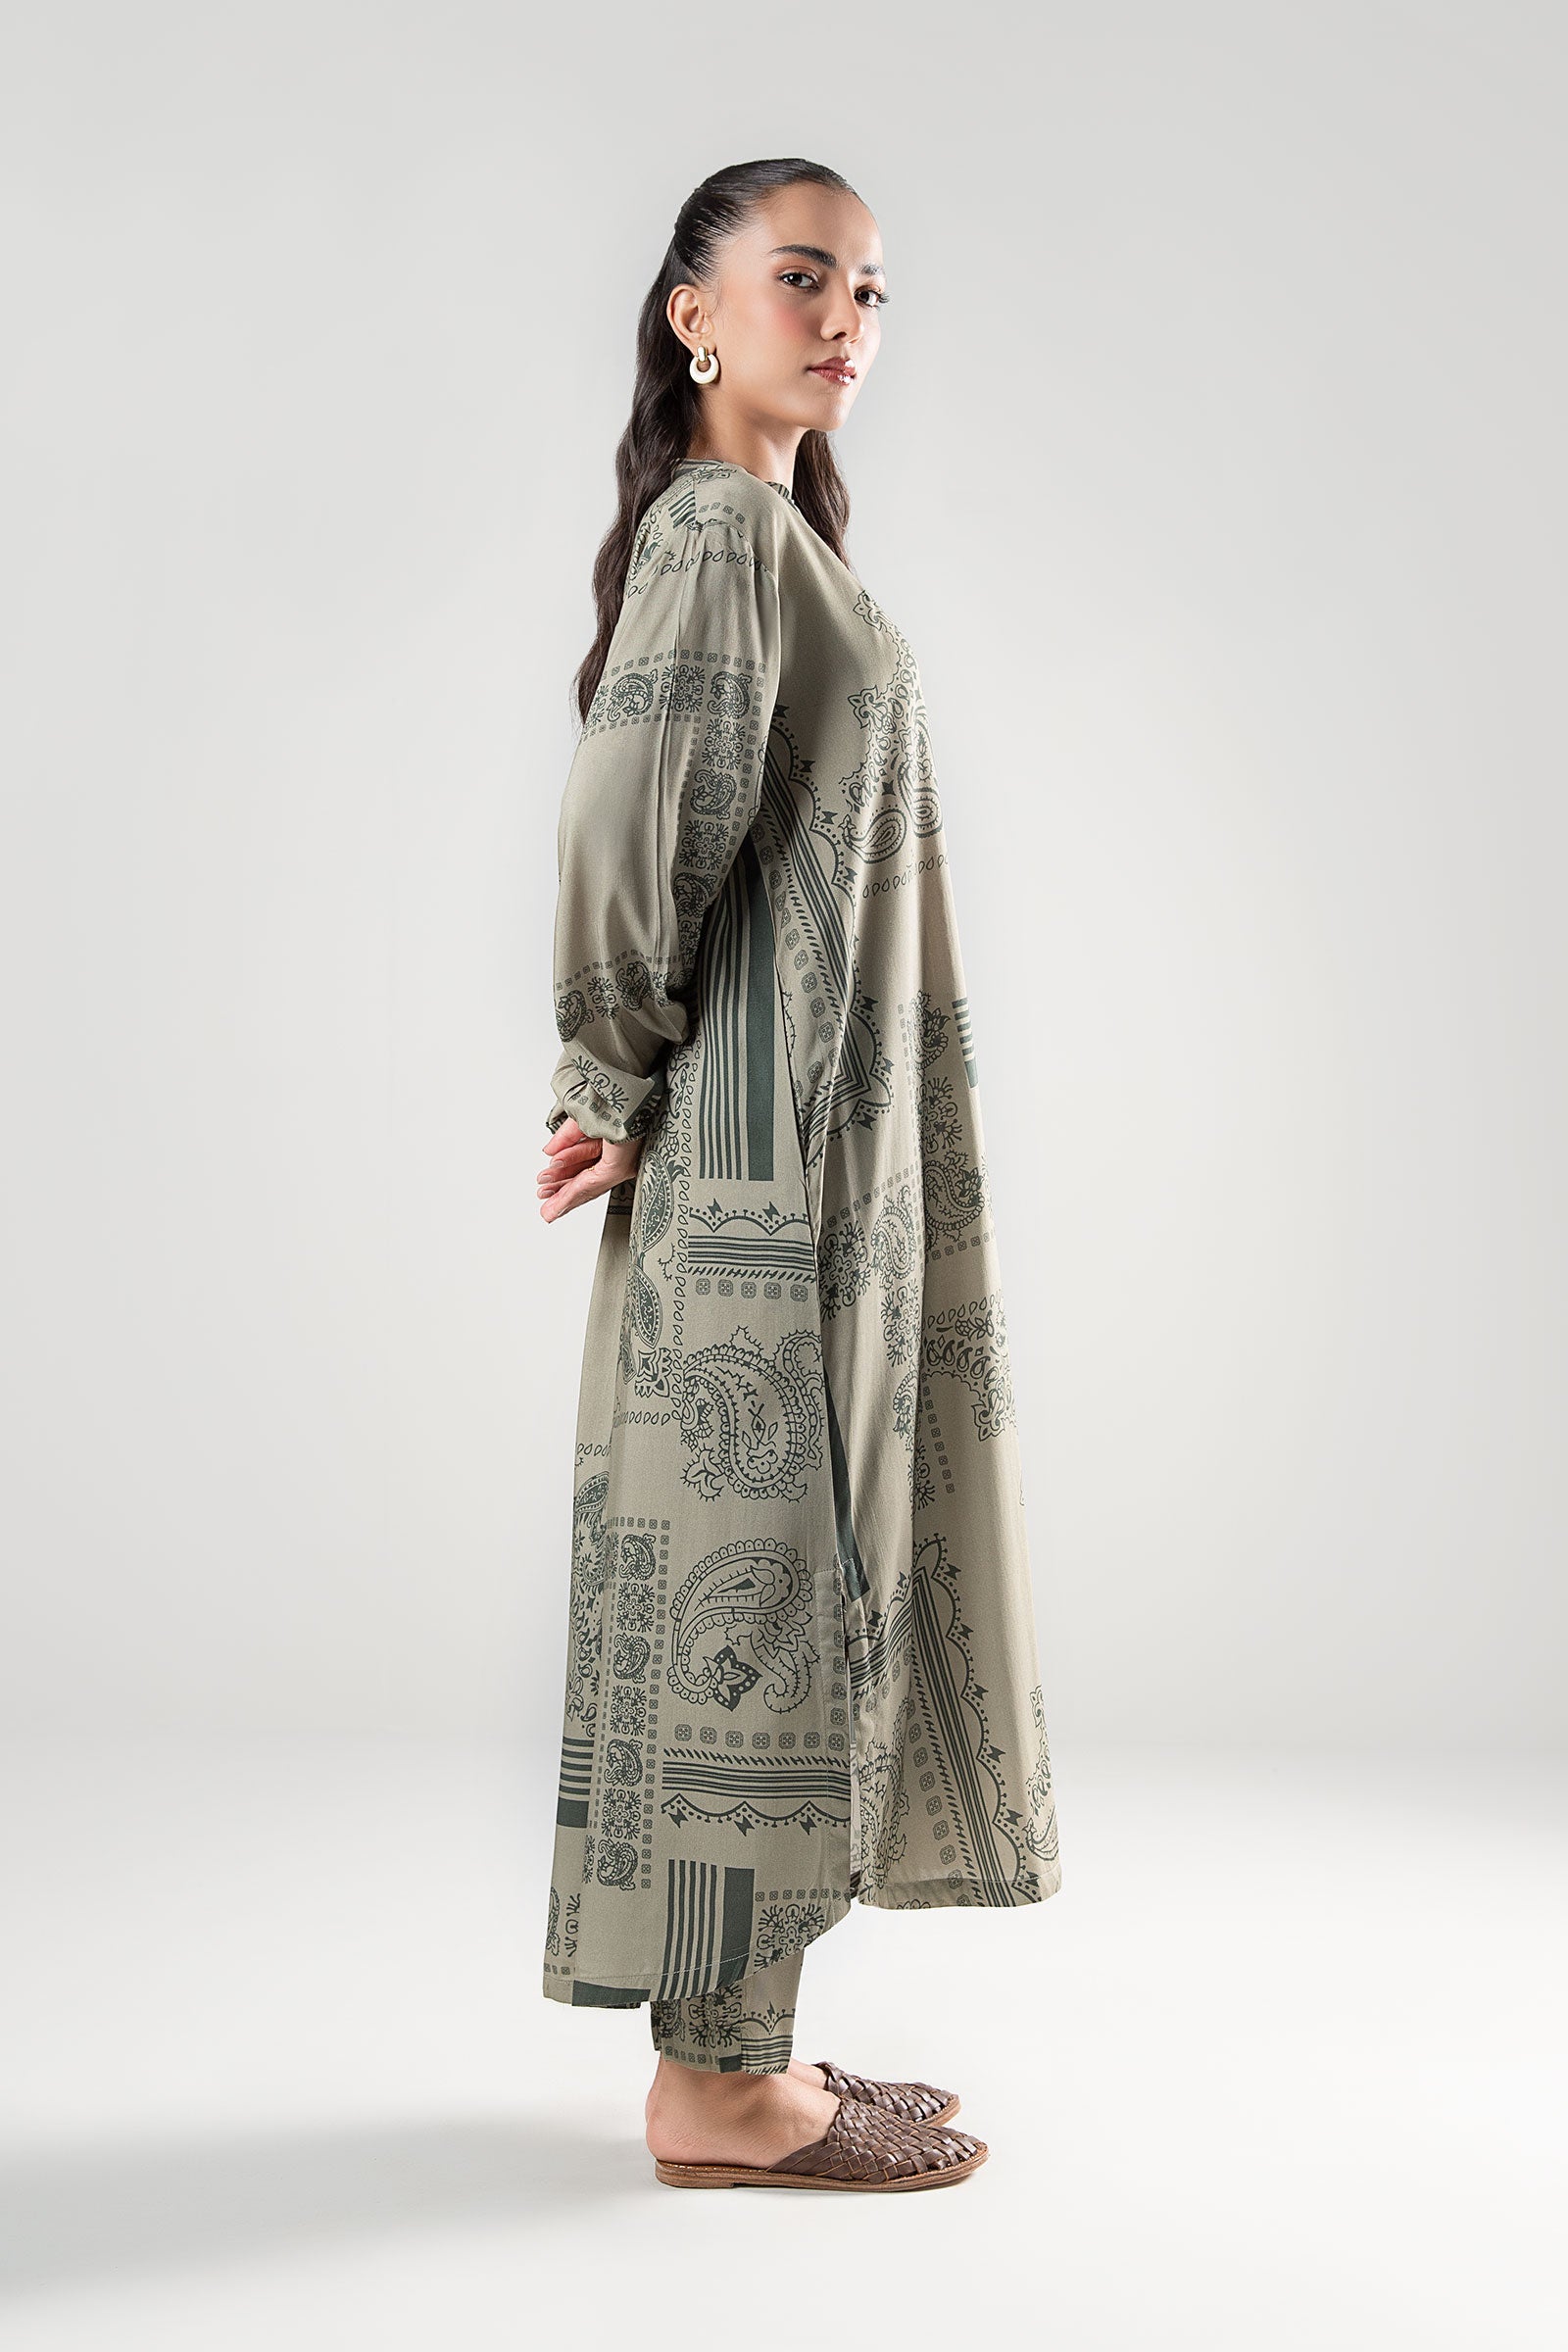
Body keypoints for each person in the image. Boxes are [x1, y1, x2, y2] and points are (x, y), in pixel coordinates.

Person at [537, 158, 1061, 2193]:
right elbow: (633, 810)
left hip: (806, 1162)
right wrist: (607, 1060)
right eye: (801, 278)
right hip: (761, 1182)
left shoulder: (765, 534)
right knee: (753, 1590)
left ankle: (739, 2052)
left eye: (869, 290)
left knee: (791, 1579)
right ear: (694, 313)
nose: (846, 318)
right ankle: (720, 2092)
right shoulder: (718, 530)